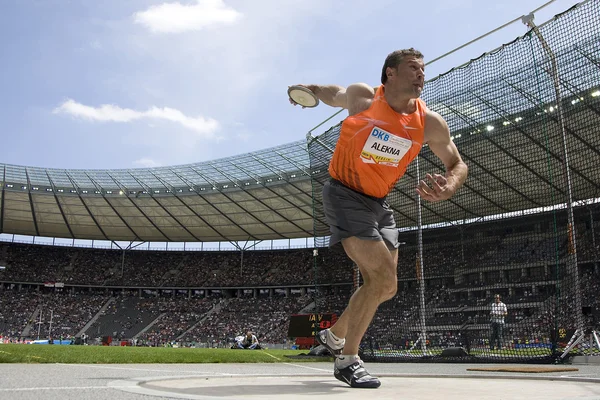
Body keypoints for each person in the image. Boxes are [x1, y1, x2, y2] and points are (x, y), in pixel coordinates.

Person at [290, 48, 468, 388]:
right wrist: (311, 90)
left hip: (378, 205)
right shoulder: (365, 98)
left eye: (423, 69)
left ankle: (334, 335)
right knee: (382, 279)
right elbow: (335, 94)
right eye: (413, 68)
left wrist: (450, 185)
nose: (421, 74)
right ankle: (347, 359)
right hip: (344, 193)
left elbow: (457, 163)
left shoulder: (429, 123)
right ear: (390, 73)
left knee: (385, 287)